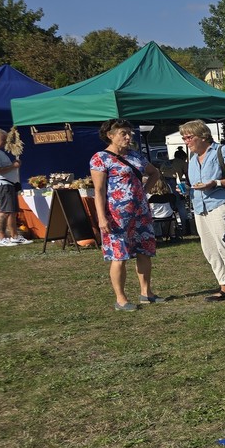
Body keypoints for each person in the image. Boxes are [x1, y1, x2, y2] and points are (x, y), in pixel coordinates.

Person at [90, 119, 161, 311]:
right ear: (110, 135)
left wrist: (143, 192)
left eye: (130, 133)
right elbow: (99, 190)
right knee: (119, 255)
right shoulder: (100, 158)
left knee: (144, 251)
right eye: (123, 133)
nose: (128, 137)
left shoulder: (135, 155)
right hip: (117, 215)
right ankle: (121, 299)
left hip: (141, 213)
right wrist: (101, 217)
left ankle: (146, 293)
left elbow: (154, 173)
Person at [182, 120, 225, 304]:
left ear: (203, 136)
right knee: (209, 249)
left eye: (189, 137)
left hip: (219, 205)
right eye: (184, 138)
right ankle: (224, 285)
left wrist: (215, 183)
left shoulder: (222, 151)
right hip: (199, 207)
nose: (186, 141)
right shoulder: (193, 158)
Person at [0, 128, 29, 246]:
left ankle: (14, 236)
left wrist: (14, 165)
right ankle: (1, 238)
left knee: (12, 212)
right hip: (3, 185)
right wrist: (13, 166)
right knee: (4, 211)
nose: (4, 143)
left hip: (9, 184)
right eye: (3, 140)